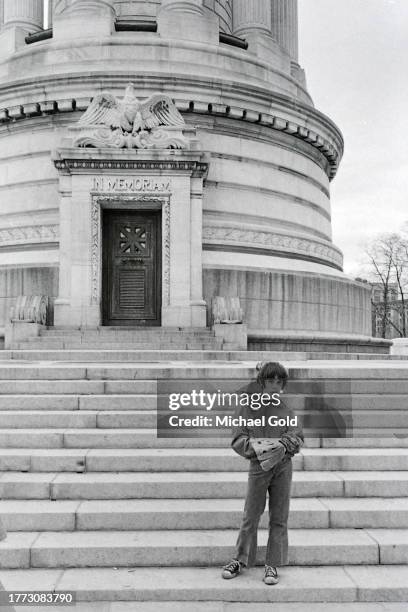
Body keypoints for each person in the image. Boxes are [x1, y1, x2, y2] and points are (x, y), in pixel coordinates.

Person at [221, 361, 304, 585]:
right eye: (271, 380)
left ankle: (272, 564)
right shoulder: (248, 407)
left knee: (279, 517)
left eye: (279, 381)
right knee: (251, 514)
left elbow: (297, 436)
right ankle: (240, 559)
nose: (275, 385)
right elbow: (237, 438)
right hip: (259, 465)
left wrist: (285, 445)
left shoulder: (286, 408)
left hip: (283, 466)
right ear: (262, 382)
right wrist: (261, 447)